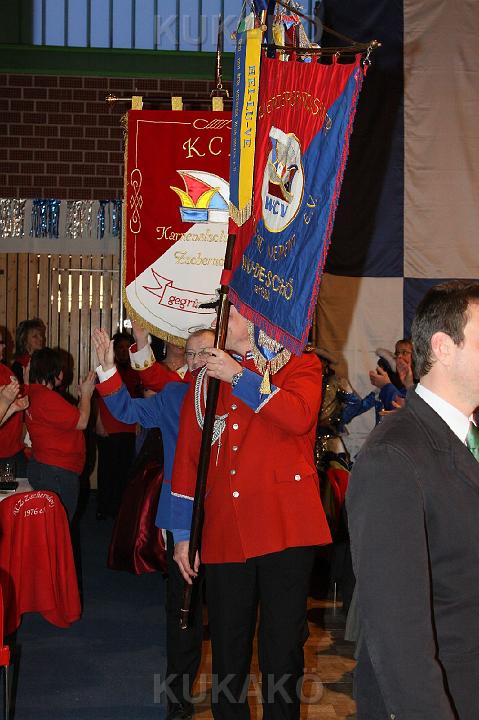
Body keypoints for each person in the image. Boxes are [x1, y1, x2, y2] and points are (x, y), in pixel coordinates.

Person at [172, 306, 332, 720]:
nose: (220, 321)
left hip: (285, 527)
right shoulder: (203, 379)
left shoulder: (300, 364)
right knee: (228, 649)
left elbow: (298, 417)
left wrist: (238, 377)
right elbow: (188, 457)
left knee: (282, 648)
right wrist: (184, 534)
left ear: (257, 318)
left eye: (230, 313)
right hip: (226, 528)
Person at [347, 280, 479, 720]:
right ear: (443, 347)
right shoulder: (393, 457)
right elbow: (397, 634)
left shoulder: (466, 437)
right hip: (445, 697)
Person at [93, 325, 215, 720]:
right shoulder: (176, 395)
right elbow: (127, 411)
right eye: (190, 354)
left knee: (229, 616)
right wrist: (108, 369)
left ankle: (229, 700)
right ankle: (178, 701)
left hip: (229, 524)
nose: (196, 361)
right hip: (184, 524)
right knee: (183, 617)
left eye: (204, 353)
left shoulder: (240, 397)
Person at [25, 348, 96, 520]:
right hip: (56, 471)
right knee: (60, 525)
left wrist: (82, 398)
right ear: (53, 370)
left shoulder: (34, 392)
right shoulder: (47, 398)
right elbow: (82, 422)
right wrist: (87, 395)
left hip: (46, 466)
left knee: (51, 524)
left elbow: (70, 421)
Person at [94, 331, 141, 519]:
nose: (123, 351)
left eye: (126, 347)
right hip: (108, 427)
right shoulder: (106, 370)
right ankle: (103, 507)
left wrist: (138, 423)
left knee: (124, 470)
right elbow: (96, 399)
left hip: (128, 427)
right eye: (119, 347)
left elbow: (139, 400)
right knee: (107, 470)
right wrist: (98, 423)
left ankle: (120, 509)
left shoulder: (136, 371)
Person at [0, 329, 27, 473]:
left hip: (14, 450)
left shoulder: (5, 370)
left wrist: (14, 406)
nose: (4, 346)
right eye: (0, 342)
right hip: (3, 454)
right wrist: (5, 402)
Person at [369, 337, 415, 411]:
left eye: (404, 352)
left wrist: (386, 385)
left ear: (415, 355)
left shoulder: (424, 378)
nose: (399, 356)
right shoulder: (390, 373)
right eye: (397, 353)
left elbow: (409, 408)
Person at [11, 318, 46, 383]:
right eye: (35, 336)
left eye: (40, 335)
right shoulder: (17, 367)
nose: (41, 338)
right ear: (24, 340)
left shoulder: (44, 360)